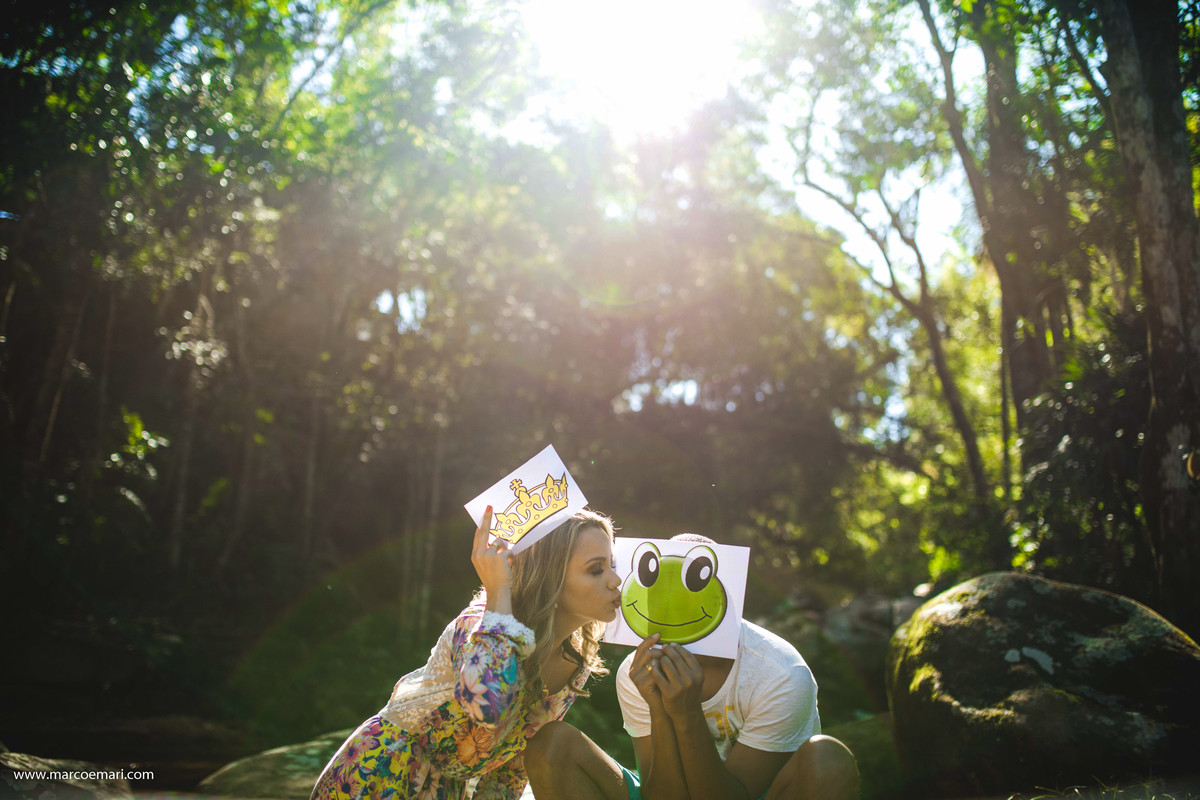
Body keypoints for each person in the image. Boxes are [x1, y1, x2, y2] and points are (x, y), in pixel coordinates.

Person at [310, 505, 623, 800]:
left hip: (444, 788)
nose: (616, 580)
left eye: (612, 565)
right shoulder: (480, 623)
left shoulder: (576, 661)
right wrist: (499, 591)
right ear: (550, 576)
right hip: (378, 775)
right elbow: (487, 707)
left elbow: (510, 772)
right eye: (596, 570)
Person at [523, 534, 859, 800]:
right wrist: (657, 705)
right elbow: (662, 796)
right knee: (552, 745)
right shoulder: (636, 672)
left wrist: (685, 714)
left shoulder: (781, 675)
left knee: (827, 760)